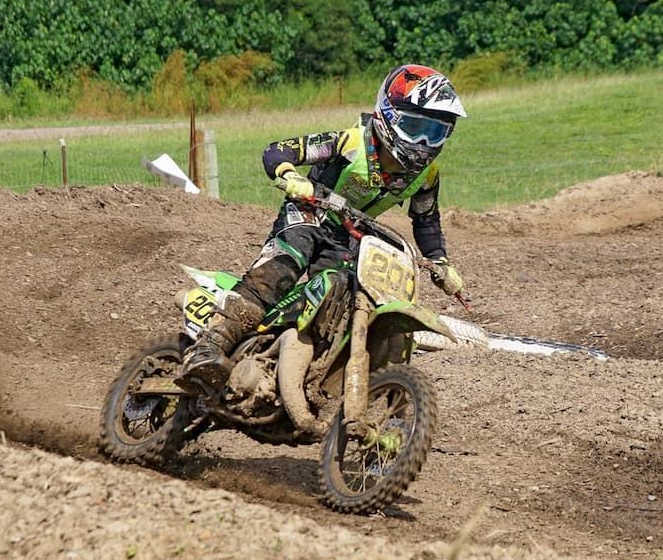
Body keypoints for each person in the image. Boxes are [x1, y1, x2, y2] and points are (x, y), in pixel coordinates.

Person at [177, 64, 467, 393]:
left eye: (437, 132)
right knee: (278, 275)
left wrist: (439, 260)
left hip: (350, 237)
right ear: (388, 115)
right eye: (416, 128)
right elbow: (278, 150)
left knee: (343, 300)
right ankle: (208, 348)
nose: (425, 142)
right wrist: (290, 175)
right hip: (309, 213)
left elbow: (426, 220)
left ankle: (304, 368)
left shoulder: (426, 176)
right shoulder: (350, 142)